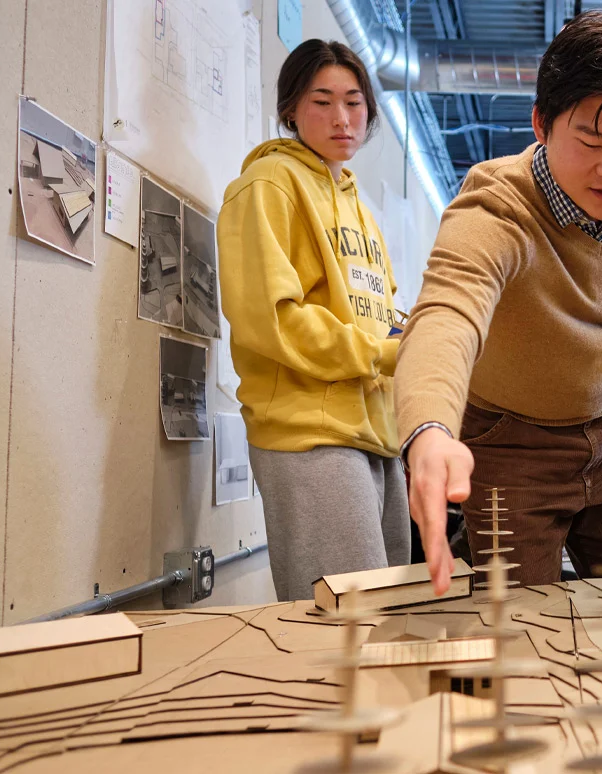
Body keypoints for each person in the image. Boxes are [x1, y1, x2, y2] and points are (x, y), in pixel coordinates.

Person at [395, 12, 602, 593]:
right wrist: (429, 428)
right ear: (542, 124)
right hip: (511, 451)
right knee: (522, 630)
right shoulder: (496, 208)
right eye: (590, 140)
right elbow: (447, 316)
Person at [218, 40, 408, 601]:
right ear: (291, 110)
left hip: (375, 433)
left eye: (354, 102)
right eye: (322, 101)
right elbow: (273, 320)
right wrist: (389, 352)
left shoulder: (360, 208)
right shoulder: (267, 185)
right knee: (343, 625)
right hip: (310, 431)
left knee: (384, 614)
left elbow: (380, 317)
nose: (342, 118)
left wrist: (417, 336)